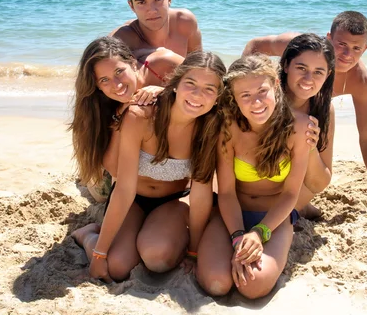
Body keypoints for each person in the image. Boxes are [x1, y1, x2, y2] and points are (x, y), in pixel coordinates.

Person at [71, 51, 225, 282]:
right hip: (133, 200)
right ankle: (88, 235)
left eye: (208, 89)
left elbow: (201, 192)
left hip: (173, 201)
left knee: (158, 258)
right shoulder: (140, 115)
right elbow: (123, 188)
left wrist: (193, 250)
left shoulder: (210, 126)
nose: (196, 95)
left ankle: (153, 234)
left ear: (218, 96)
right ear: (176, 84)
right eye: (190, 84)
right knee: (117, 267)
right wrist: (99, 253)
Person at [243, 11, 367, 213]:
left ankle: (299, 205)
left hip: (307, 117)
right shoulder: (298, 47)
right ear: (329, 38)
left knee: (311, 151)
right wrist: (247, 86)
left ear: (365, 49)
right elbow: (255, 45)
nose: (347, 55)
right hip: (276, 106)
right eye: (341, 45)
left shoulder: (358, 80)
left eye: (356, 48)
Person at [196, 55, 310, 299]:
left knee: (253, 286)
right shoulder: (228, 129)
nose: (256, 102)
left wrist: (260, 232)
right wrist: (238, 237)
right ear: (235, 99)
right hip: (231, 214)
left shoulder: (299, 127)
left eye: (262, 91)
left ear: (276, 86)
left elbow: (291, 193)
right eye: (245, 96)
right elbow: (225, 192)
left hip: (274, 218)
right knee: (217, 283)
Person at [69, 36, 184, 201]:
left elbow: (207, 84)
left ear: (132, 62)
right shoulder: (100, 104)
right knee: (102, 196)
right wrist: (119, 118)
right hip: (113, 169)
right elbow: (114, 169)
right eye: (104, 80)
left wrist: (166, 92)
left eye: (119, 72)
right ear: (97, 86)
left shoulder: (164, 64)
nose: (117, 85)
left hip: (161, 169)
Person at [279, 34, 335, 219]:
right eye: (301, 68)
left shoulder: (323, 109)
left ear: (327, 75)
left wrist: (310, 149)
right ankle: (301, 209)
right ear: (286, 65)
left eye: (318, 72)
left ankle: (299, 208)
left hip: (294, 187)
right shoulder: (264, 99)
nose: (308, 79)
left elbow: (319, 184)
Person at [110, 0, 202, 60]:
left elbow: (200, 69)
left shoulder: (185, 22)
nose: (152, 10)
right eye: (141, 2)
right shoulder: (122, 39)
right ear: (132, 6)